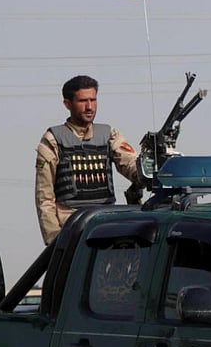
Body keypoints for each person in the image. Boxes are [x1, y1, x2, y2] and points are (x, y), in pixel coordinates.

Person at [35, 75, 140, 245]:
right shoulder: (53, 139)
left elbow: (130, 163)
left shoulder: (108, 134)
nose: (89, 107)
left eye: (93, 100)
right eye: (83, 101)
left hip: (105, 222)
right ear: (67, 104)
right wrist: (55, 239)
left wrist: (147, 172)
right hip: (70, 225)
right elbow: (44, 197)